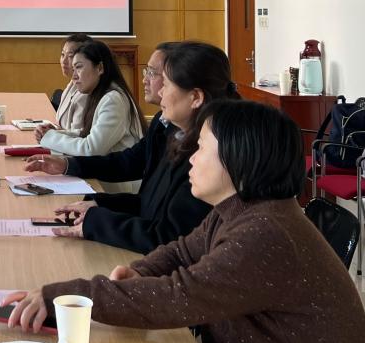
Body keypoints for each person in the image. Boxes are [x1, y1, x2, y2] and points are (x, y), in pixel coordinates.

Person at [4, 99, 365, 343]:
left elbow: (177, 297)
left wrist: (66, 297)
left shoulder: (266, 233)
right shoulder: (240, 210)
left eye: (203, 148)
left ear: (239, 158)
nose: (191, 157)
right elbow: (181, 252)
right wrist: (140, 271)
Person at [26, 41, 231, 253]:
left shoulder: (207, 157)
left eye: (166, 83)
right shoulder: (173, 130)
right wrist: (97, 204)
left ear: (195, 97)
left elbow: (168, 237)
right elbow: (148, 203)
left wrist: (97, 220)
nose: (160, 91)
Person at [35, 41, 146, 191]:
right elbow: (88, 134)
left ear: (100, 68)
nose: (74, 76)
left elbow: (91, 149)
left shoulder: (113, 100)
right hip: (100, 179)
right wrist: (55, 133)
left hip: (114, 187)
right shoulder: (101, 93)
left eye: (79, 67)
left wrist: (49, 137)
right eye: (73, 69)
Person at [42, 33, 91, 135]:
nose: (64, 61)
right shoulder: (72, 84)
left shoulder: (85, 92)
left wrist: (54, 134)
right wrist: (54, 130)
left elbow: (79, 135)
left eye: (70, 56)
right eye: (62, 55)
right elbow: (63, 126)